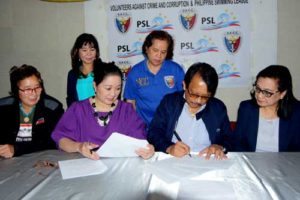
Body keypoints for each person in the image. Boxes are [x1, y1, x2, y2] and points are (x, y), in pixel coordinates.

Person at [52, 62, 154, 160]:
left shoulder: (126, 110)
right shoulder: (78, 109)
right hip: (85, 167)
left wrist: (147, 149)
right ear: (95, 86)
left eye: (118, 88)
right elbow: (61, 139)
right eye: (108, 88)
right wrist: (79, 147)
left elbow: (139, 140)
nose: (113, 94)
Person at [147, 62, 232, 159]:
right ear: (184, 85)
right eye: (194, 94)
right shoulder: (169, 103)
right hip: (173, 160)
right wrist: (169, 147)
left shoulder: (218, 108)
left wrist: (220, 146)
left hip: (206, 161)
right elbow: (154, 132)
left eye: (205, 97)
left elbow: (228, 138)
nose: (198, 101)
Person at [0, 65, 64, 158]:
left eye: (37, 87)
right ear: (16, 90)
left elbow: (55, 142)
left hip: (41, 158)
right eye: (27, 89)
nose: (34, 93)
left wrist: (16, 149)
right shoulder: (3, 108)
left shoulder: (52, 108)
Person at [124, 30, 185, 126]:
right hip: (144, 128)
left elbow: (184, 98)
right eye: (155, 50)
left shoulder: (176, 70)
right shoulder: (135, 72)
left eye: (163, 52)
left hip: (171, 127)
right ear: (147, 48)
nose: (159, 56)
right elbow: (130, 102)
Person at [234, 65, 300, 152]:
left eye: (267, 92)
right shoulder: (246, 109)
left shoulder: (296, 112)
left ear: (282, 94)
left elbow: (296, 151)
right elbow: (238, 143)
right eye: (257, 89)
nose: (259, 96)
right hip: (251, 162)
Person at [67, 33, 105, 107]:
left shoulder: (104, 71)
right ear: (77, 52)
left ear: (96, 52)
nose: (89, 54)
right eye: (84, 50)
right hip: (80, 115)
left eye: (92, 49)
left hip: (102, 114)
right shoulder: (72, 74)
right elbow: (70, 99)